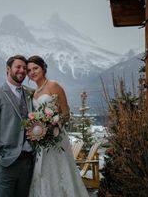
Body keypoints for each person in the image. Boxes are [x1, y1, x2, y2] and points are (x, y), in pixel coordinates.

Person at [26, 55, 89, 197]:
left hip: (56, 137)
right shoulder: (34, 93)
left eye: (35, 68)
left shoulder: (54, 85)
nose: (32, 72)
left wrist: (51, 126)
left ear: (43, 68)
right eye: (29, 70)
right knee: (42, 172)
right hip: (41, 141)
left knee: (59, 171)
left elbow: (66, 114)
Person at [0, 55, 35, 197]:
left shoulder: (30, 94)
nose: (22, 70)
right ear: (8, 69)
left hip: (27, 162)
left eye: (25, 68)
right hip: (5, 163)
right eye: (18, 67)